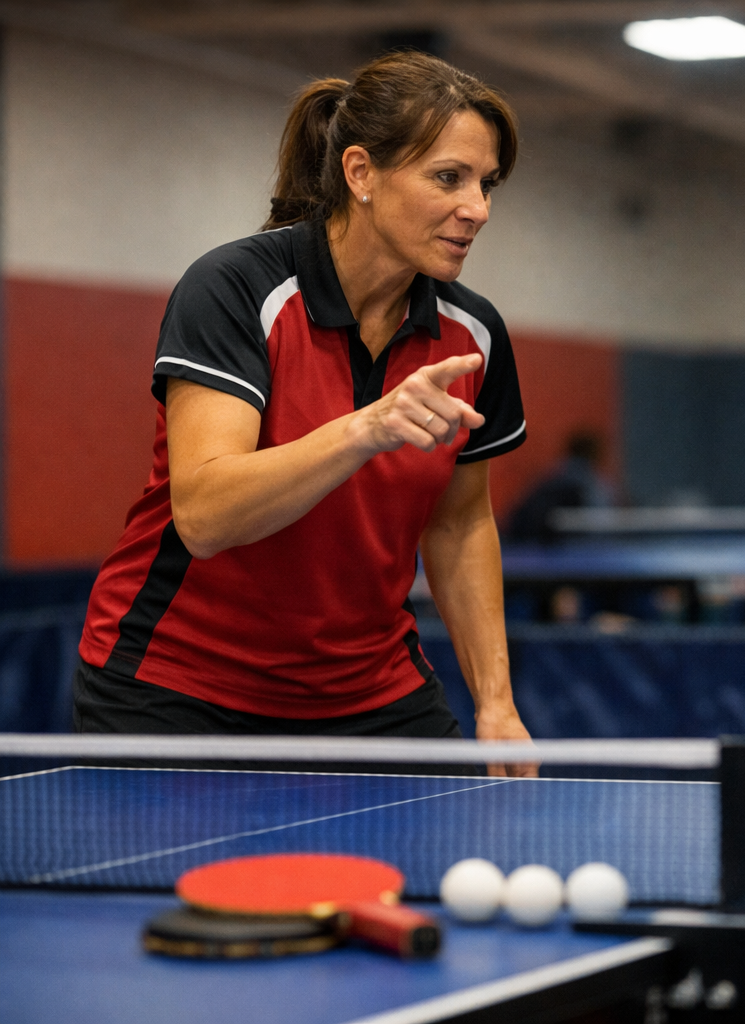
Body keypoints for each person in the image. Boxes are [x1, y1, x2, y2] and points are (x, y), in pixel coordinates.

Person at [75, 51, 534, 770]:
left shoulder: (472, 333)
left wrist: (497, 702)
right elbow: (204, 516)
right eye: (449, 177)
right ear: (361, 175)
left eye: (486, 183)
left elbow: (459, 520)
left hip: (368, 694)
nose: (476, 208)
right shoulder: (235, 288)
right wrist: (366, 428)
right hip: (179, 687)